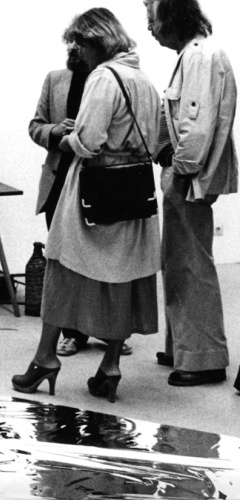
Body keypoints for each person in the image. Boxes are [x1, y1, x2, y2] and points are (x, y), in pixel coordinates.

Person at [12, 8, 160, 403]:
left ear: (100, 40)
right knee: (122, 276)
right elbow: (160, 136)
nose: (76, 48)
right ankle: (110, 366)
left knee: (61, 268)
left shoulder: (104, 76)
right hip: (134, 188)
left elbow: (89, 138)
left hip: (94, 186)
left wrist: (68, 140)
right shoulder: (143, 78)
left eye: (81, 41)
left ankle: (45, 359)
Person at [144, 0, 238, 387]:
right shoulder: (195, 55)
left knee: (191, 265)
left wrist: (178, 166)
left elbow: (196, 127)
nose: (150, 28)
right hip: (187, 173)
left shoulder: (200, 57)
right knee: (180, 260)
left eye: (152, 18)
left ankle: (203, 359)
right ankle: (185, 347)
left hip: (188, 176)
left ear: (172, 16)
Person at [28, 30, 133, 358]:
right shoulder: (55, 80)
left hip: (101, 180)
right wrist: (55, 131)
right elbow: (35, 125)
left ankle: (107, 330)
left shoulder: (110, 79)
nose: (75, 50)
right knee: (65, 263)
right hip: (60, 180)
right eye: (71, 45)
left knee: (103, 259)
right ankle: (74, 333)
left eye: (80, 45)